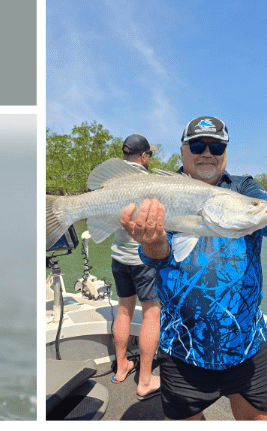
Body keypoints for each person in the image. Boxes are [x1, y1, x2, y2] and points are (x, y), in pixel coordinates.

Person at [120, 116, 267, 421]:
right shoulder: (161, 192)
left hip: (246, 345)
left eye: (217, 145)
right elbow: (157, 258)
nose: (207, 152)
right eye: (198, 145)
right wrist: (153, 243)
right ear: (183, 151)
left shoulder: (244, 187)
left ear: (225, 152)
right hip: (182, 348)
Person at [109, 134, 161, 400]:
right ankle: (145, 379)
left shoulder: (116, 180)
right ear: (144, 157)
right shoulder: (148, 182)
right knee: (151, 314)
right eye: (149, 155)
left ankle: (121, 369)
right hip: (143, 260)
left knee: (123, 311)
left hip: (119, 258)